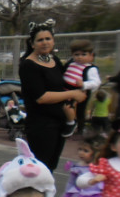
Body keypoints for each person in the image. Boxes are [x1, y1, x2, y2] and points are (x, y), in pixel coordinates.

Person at [18, 20, 87, 181]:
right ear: (32, 43)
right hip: (41, 125)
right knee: (39, 168)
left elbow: (64, 84)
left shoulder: (54, 60)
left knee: (51, 167)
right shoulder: (28, 65)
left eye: (48, 38)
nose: (44, 43)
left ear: (53, 40)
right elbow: (41, 97)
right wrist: (73, 94)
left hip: (59, 122)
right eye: (40, 40)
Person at [62, 38, 101, 129]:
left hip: (79, 92)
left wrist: (84, 84)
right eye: (76, 54)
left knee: (78, 111)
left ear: (91, 55)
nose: (79, 57)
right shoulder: (71, 64)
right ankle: (68, 123)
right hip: (65, 90)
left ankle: (78, 127)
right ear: (72, 55)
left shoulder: (90, 68)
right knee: (64, 109)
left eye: (83, 54)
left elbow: (96, 82)